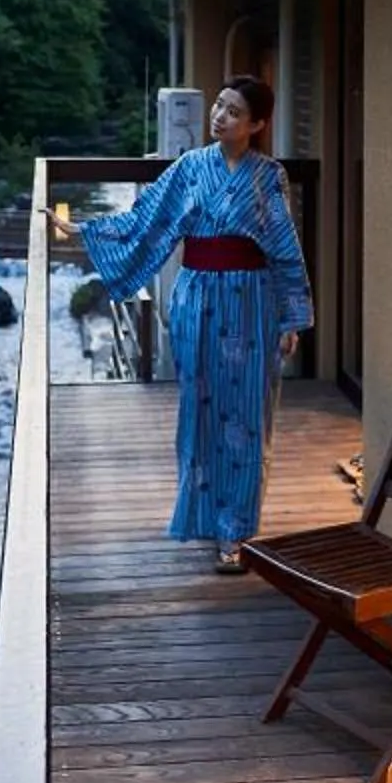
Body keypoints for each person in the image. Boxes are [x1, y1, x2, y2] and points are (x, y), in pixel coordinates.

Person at [57, 76, 312, 572]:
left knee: (246, 415)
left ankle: (234, 532)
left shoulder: (269, 176)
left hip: (251, 299)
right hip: (198, 297)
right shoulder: (190, 168)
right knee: (199, 409)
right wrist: (84, 228)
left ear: (257, 124)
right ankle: (200, 515)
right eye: (218, 105)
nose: (219, 116)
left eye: (233, 111)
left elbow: (284, 249)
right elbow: (144, 221)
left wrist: (291, 316)